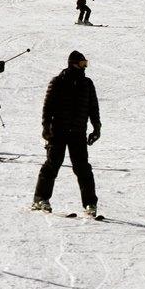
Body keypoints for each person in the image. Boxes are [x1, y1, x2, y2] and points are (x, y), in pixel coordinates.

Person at [31, 50, 100, 216]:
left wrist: (96, 127)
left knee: (83, 168)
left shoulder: (87, 84)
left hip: (78, 132)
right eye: (82, 63)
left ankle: (90, 203)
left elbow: (93, 108)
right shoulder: (58, 82)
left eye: (86, 63)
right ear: (73, 64)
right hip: (58, 131)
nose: (85, 67)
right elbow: (47, 108)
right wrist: (46, 127)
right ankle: (40, 198)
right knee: (52, 165)